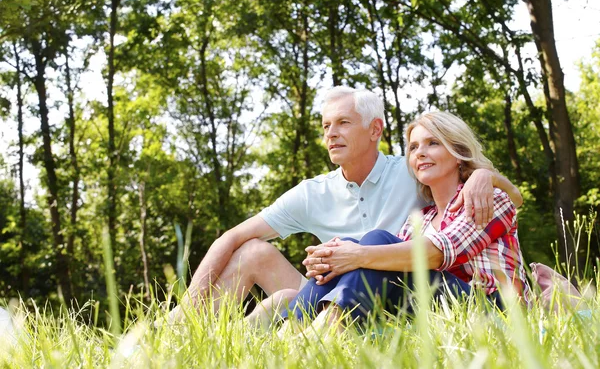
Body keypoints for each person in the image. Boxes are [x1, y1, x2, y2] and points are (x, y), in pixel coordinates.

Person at [171, 87, 523, 322]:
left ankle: (303, 335)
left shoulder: (416, 174)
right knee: (258, 256)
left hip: (432, 296)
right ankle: (192, 337)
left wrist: (483, 175)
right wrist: (181, 313)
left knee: (372, 241)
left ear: (374, 130)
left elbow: (507, 202)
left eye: (342, 123)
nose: (330, 134)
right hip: (349, 290)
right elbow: (230, 237)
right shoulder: (316, 192)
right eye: (325, 126)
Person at [284, 111, 530, 328]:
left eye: (433, 143)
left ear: (458, 154)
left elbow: (438, 253)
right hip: (440, 310)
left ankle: (328, 327)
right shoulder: (422, 219)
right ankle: (291, 330)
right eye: (413, 147)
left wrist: (354, 255)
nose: (420, 153)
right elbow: (385, 264)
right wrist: (335, 257)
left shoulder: (488, 198)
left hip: (494, 313)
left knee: (372, 244)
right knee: (363, 245)